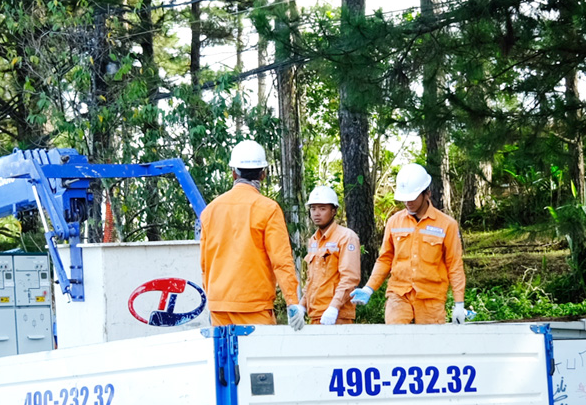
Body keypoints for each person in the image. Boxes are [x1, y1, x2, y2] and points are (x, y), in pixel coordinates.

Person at [198, 139, 305, 330]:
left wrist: (212, 301)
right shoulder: (268, 209)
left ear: (233, 173)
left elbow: (205, 264)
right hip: (254, 307)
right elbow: (281, 261)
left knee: (224, 360)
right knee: (258, 359)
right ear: (263, 174)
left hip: (219, 307)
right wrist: (292, 302)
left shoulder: (210, 211)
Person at [348, 163, 467, 325]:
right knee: (396, 341)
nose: (408, 202)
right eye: (404, 198)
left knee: (429, 345)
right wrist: (368, 289)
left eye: (412, 198)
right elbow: (385, 259)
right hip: (399, 294)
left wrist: (459, 303)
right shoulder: (394, 222)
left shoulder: (447, 225)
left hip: (431, 298)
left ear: (427, 194)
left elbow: (455, 265)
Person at [302, 184, 361, 325]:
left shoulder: (346, 237)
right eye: (313, 208)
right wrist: (301, 306)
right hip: (315, 316)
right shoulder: (313, 241)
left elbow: (349, 278)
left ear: (333, 211)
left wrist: (334, 308)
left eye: (322, 209)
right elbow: (311, 280)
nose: (316, 213)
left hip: (337, 316)